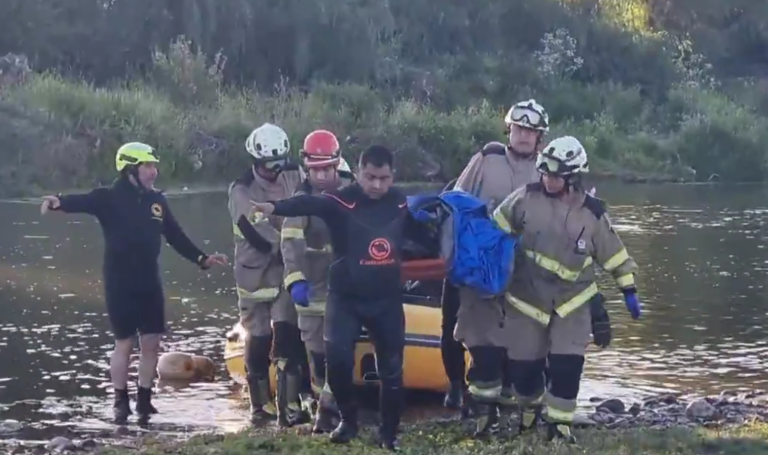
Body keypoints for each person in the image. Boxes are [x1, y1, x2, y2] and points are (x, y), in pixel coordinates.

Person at [39, 142, 228, 425]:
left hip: (149, 281)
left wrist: (202, 258)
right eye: (148, 166)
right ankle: (120, 403)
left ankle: (144, 400)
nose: (154, 171)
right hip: (119, 282)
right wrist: (57, 201)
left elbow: (175, 236)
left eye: (154, 165)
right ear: (130, 169)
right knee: (124, 344)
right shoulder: (108, 198)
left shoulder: (157, 201)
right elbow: (80, 201)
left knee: (151, 343)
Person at [252, 145, 409, 451]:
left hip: (386, 300)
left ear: (393, 177)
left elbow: (418, 228)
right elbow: (307, 203)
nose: (377, 185)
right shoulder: (342, 199)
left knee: (391, 369)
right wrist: (274, 207)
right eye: (370, 177)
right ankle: (347, 421)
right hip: (345, 298)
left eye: (384, 178)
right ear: (359, 172)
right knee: (336, 363)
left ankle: (389, 432)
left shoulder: (399, 201)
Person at [492, 136, 641, 443]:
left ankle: (559, 427)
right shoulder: (525, 198)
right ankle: (529, 412)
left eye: (555, 175)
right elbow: (495, 231)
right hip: (526, 298)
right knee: (524, 368)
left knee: (567, 365)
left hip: (573, 301)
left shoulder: (593, 213)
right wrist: (488, 271)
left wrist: (628, 289)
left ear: (573, 176)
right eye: (544, 173)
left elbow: (614, 254)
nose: (548, 179)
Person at [448, 99, 549, 435]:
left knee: (523, 345)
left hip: (525, 274)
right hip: (482, 268)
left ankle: (516, 414)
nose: (523, 136)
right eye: (518, 129)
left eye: (530, 131)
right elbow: (456, 205)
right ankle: (480, 413)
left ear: (539, 137)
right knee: (480, 340)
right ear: (509, 129)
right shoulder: (486, 160)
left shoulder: (546, 170)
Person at [227, 123, 305, 427]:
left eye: (279, 163)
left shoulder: (294, 174)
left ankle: (290, 409)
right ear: (256, 162)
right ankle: (260, 406)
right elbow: (256, 234)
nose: (275, 171)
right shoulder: (242, 189)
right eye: (269, 166)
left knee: (287, 336)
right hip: (255, 274)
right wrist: (293, 246)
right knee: (259, 338)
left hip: (286, 271)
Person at [280, 130, 354, 434]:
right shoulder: (300, 202)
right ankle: (324, 412)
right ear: (307, 168)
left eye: (327, 168)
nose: (322, 175)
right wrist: (295, 279)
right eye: (316, 170)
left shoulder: (353, 194)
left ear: (337, 166)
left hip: (345, 291)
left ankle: (330, 411)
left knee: (340, 353)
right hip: (312, 292)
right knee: (317, 356)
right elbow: (290, 244)